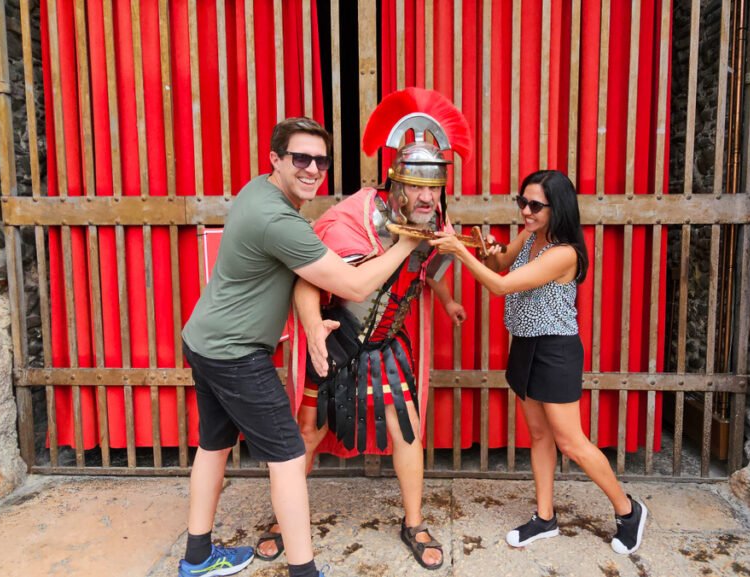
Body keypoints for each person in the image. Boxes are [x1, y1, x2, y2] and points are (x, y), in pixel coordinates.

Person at [178, 117, 421, 577]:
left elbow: (301, 274)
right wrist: (406, 243)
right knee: (289, 456)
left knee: (213, 445)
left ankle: (196, 558)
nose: (312, 169)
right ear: (276, 159)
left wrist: (311, 324)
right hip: (235, 354)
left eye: (320, 160)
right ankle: (303, 570)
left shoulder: (260, 191)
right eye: (300, 158)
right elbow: (352, 284)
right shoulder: (278, 219)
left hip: (203, 340)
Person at [255, 88, 470, 571]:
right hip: (338, 338)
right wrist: (312, 327)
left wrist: (448, 298)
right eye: (416, 186)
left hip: (388, 344)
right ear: (395, 184)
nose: (426, 196)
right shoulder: (355, 215)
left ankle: (413, 521)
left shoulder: (435, 218)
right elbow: (308, 279)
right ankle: (281, 520)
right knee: (306, 433)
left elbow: (426, 267)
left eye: (433, 187)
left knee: (406, 430)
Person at [429, 169, 648, 555]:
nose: (525, 211)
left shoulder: (564, 252)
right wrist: (485, 251)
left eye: (535, 205)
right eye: (522, 202)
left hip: (556, 351)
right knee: (539, 436)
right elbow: (500, 267)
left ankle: (629, 511)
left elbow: (498, 287)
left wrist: (459, 253)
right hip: (525, 346)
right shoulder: (531, 236)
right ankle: (545, 517)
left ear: (557, 207)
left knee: (571, 441)